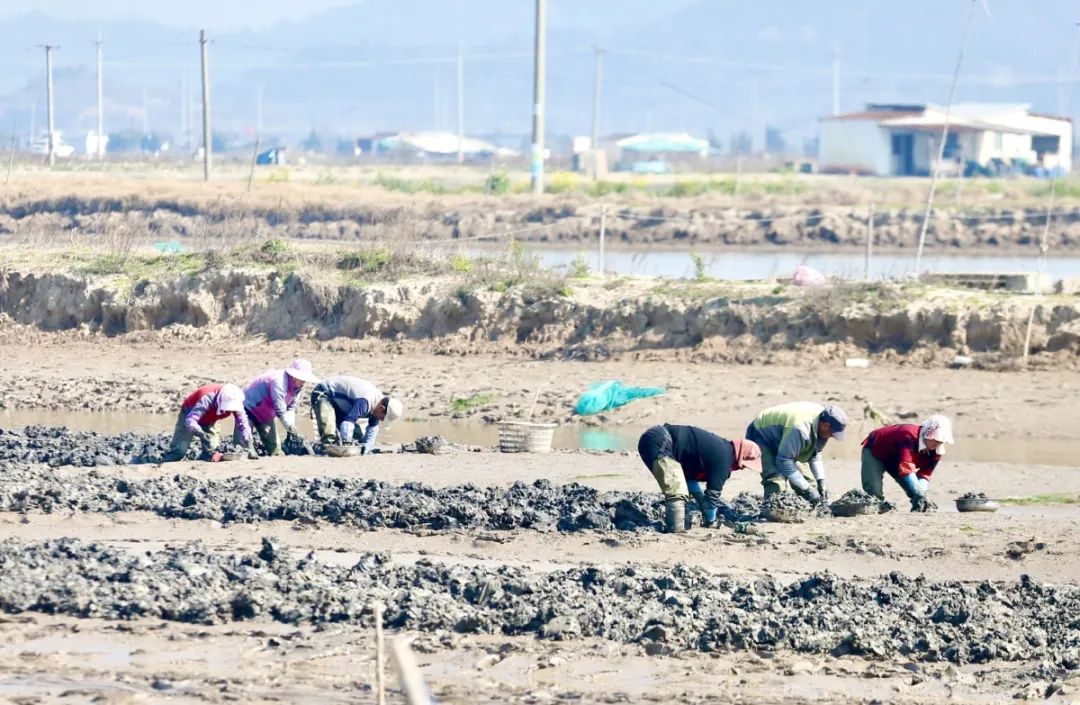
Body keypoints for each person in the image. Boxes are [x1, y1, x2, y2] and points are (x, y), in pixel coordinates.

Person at [637, 423, 763, 533]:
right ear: (741, 456)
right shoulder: (724, 460)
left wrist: (699, 498)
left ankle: (675, 528)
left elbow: (689, 479)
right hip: (660, 441)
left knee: (679, 483)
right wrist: (710, 520)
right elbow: (712, 499)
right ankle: (675, 531)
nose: (742, 468)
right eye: (744, 465)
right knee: (676, 489)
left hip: (655, 438)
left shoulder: (721, 451)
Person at [745, 402, 848, 504]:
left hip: (787, 437)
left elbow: (815, 456)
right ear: (825, 425)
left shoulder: (822, 426)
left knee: (809, 482)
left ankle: (811, 506)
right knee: (776, 480)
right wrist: (807, 490)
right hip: (762, 435)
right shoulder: (801, 429)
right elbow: (784, 461)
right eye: (832, 434)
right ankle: (773, 510)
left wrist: (821, 482)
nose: (831, 436)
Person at [861, 415, 954, 512]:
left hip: (899, 460)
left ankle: (918, 508)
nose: (937, 443)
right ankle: (877, 508)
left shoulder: (937, 452)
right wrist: (919, 492)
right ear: (926, 432)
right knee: (874, 493)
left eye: (940, 440)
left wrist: (923, 495)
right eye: (934, 438)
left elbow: (925, 474)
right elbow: (906, 468)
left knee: (917, 494)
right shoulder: (909, 435)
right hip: (876, 450)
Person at [242, 358, 319, 456]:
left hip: (265, 413)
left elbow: (291, 408)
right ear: (294, 376)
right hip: (248, 408)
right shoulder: (278, 381)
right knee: (242, 447)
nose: (304, 382)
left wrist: (292, 427)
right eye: (302, 379)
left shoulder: (297, 388)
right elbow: (280, 411)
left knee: (275, 449)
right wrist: (291, 429)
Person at [310, 374, 404, 454]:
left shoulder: (378, 406)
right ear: (381, 408)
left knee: (358, 436)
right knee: (329, 435)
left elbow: (372, 429)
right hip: (324, 393)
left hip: (340, 404)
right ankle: (325, 449)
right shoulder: (365, 401)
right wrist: (347, 445)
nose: (382, 420)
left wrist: (365, 449)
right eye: (383, 417)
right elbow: (348, 423)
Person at [163, 383, 255, 462]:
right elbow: (190, 421)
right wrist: (201, 433)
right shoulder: (207, 397)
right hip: (189, 413)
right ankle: (164, 462)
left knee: (211, 450)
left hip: (210, 418)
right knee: (178, 452)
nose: (230, 410)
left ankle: (202, 461)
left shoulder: (236, 400)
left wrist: (248, 441)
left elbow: (243, 423)